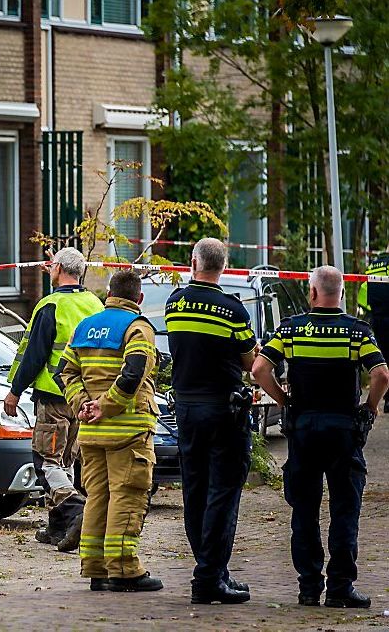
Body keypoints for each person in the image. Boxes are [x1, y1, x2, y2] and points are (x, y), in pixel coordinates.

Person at [252, 266, 388, 609]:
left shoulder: (292, 330)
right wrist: (369, 408)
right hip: (343, 432)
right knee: (345, 509)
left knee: (304, 510)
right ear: (341, 293)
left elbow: (259, 369)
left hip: (304, 430)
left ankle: (309, 588)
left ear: (312, 293)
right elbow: (382, 374)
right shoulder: (357, 333)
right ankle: (341, 588)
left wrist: (283, 401)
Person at [164, 237, 256, 604]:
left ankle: (212, 569)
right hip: (223, 410)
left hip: (186, 409)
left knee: (195, 490)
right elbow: (251, 361)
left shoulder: (174, 303)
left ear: (193, 262)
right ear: (224, 266)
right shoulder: (233, 310)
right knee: (224, 491)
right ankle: (208, 579)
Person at [58, 270, 163, 592]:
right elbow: (132, 374)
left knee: (98, 497)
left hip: (90, 432)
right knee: (126, 496)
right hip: (127, 432)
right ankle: (124, 569)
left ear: (108, 293)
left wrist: (83, 405)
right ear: (139, 298)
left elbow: (66, 371)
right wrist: (108, 405)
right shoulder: (138, 328)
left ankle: (94, 567)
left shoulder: (86, 326)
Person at [4, 247, 103, 549]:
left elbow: (34, 355)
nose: (48, 270)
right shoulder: (94, 303)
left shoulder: (51, 305)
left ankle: (76, 509)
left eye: (50, 266)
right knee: (67, 460)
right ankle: (59, 529)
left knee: (46, 461)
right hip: (83, 396)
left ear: (59, 268)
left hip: (53, 395)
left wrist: (15, 391)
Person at [358, 248, 389, 412]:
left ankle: (388, 397)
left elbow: (365, 290)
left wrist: (369, 311)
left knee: (384, 355)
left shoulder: (374, 265)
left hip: (378, 318)